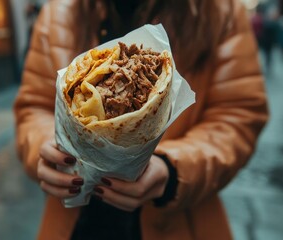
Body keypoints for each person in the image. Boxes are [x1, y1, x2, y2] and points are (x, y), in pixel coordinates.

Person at [14, 0, 268, 239]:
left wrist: (172, 169)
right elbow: (33, 108)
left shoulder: (218, 11)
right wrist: (48, 147)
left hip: (181, 223)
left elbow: (239, 116)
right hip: (76, 224)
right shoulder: (58, 13)